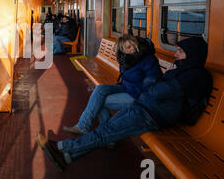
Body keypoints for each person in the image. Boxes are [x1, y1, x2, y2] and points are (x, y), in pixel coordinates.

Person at [36, 37, 212, 171]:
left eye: (180, 51)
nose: (176, 54)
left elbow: (161, 90)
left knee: (105, 132)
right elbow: (159, 87)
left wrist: (149, 91)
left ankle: (60, 147)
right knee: (105, 132)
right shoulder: (184, 70)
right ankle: (66, 159)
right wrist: (151, 91)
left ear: (192, 54)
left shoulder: (195, 76)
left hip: (154, 115)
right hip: (146, 106)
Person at [63, 34, 162, 136]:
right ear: (122, 50)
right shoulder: (125, 58)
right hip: (127, 88)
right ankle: (85, 127)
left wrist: (141, 95)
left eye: (133, 45)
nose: (132, 48)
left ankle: (100, 132)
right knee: (100, 89)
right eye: (128, 47)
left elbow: (152, 83)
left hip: (138, 95)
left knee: (101, 102)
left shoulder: (148, 59)